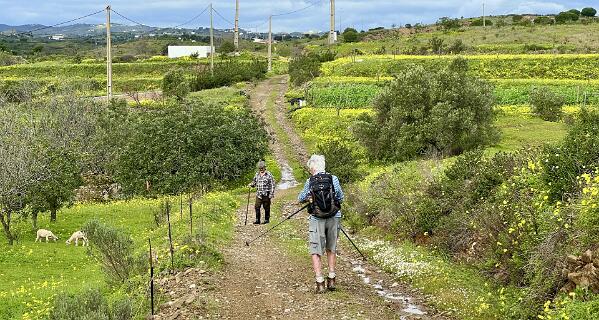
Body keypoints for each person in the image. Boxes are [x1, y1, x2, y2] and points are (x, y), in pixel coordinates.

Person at [298, 155, 344, 293]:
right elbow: (341, 197)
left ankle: (320, 282)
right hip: (334, 216)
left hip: (317, 218)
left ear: (313, 167)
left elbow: (300, 198)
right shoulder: (333, 178)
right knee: (331, 247)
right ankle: (331, 277)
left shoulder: (310, 181)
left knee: (316, 249)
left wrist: (309, 198)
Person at [249, 160, 275, 224]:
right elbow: (254, 182)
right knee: (257, 206)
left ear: (265, 167)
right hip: (259, 194)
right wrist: (251, 184)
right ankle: (257, 220)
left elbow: (272, 184)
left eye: (262, 168)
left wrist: (271, 193)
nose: (261, 169)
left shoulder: (269, 174)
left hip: (266, 194)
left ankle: (266, 219)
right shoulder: (257, 174)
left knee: (266, 207)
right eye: (260, 168)